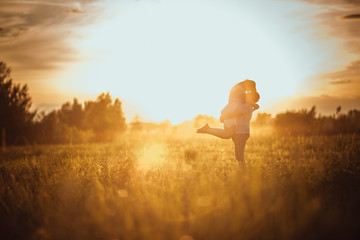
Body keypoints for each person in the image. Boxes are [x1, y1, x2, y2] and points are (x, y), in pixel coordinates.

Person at [197, 82, 260, 165]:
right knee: (237, 152)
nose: (248, 93)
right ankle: (207, 129)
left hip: (237, 126)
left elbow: (239, 111)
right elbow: (243, 106)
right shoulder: (241, 93)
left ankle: (207, 129)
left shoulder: (245, 103)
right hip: (236, 124)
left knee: (233, 145)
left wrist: (225, 117)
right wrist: (254, 105)